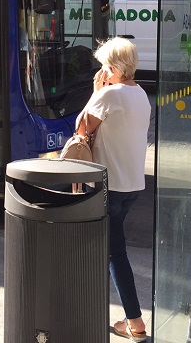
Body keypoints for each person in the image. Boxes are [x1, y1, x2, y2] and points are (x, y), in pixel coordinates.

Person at [75, 37, 151, 342]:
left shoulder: (109, 95)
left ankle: (135, 322)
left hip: (110, 185)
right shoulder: (141, 94)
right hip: (132, 185)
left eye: (105, 64)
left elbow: (81, 130)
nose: (102, 70)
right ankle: (107, 312)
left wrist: (95, 93)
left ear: (114, 66)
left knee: (114, 253)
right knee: (107, 248)